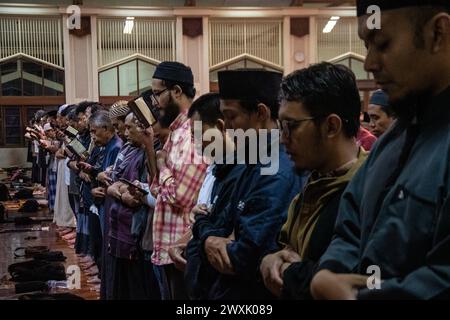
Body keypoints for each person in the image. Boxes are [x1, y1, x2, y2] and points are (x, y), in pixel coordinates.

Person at [310, 0, 450, 300]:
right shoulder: (393, 139)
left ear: (438, 34)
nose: (369, 62)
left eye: (382, 44)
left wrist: (355, 297)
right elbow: (350, 225)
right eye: (366, 45)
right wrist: (331, 270)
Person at [188, 69, 305, 300]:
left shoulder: (275, 169)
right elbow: (227, 228)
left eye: (232, 118)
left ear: (261, 113)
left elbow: (241, 257)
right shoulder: (253, 158)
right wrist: (215, 235)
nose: (228, 129)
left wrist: (203, 228)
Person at [259, 63, 368, 299]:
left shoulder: (369, 191)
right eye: (280, 126)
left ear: (331, 126)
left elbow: (358, 282)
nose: (283, 138)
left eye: (291, 126)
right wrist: (272, 259)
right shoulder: (314, 181)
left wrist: (292, 274)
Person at [148, 61, 208, 299]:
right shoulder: (176, 131)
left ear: (176, 92)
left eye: (157, 94)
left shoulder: (189, 135)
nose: (154, 102)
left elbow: (179, 196)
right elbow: (156, 189)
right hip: (171, 244)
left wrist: (162, 166)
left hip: (181, 246)